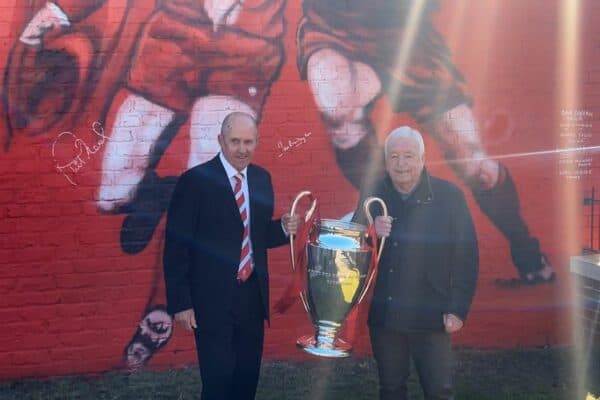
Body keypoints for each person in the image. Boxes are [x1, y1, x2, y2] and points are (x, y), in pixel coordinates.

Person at [298, 0, 553, 286]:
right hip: (335, 28)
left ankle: (527, 251)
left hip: (408, 41)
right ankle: (402, 240)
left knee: (476, 168)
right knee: (338, 108)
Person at [163, 112, 299, 400]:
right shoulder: (195, 182)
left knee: (246, 379)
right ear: (221, 141)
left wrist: (283, 229)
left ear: (257, 142)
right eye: (235, 141)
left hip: (252, 297)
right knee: (218, 382)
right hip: (211, 302)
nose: (242, 149)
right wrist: (181, 303)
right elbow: (176, 247)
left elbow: (256, 236)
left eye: (248, 142)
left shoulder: (262, 179)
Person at [352, 126, 478, 400]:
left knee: (439, 391)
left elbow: (467, 256)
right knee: (391, 389)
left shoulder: (449, 197)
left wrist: (458, 309)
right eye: (394, 157)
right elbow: (352, 246)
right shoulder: (374, 193)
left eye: (408, 156)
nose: (401, 164)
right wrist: (370, 231)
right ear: (386, 162)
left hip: (432, 313)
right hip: (387, 314)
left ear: (422, 159)